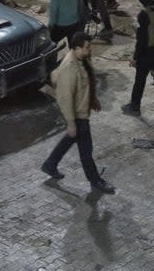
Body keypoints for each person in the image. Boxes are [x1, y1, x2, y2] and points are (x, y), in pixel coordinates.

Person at [41, 32, 115, 193]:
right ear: (76, 48)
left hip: (81, 111)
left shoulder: (81, 59)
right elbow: (65, 97)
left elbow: (87, 80)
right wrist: (71, 122)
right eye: (87, 47)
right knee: (86, 150)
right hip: (77, 114)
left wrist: (93, 98)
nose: (90, 50)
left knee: (70, 139)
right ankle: (95, 180)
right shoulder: (70, 67)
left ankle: (50, 164)